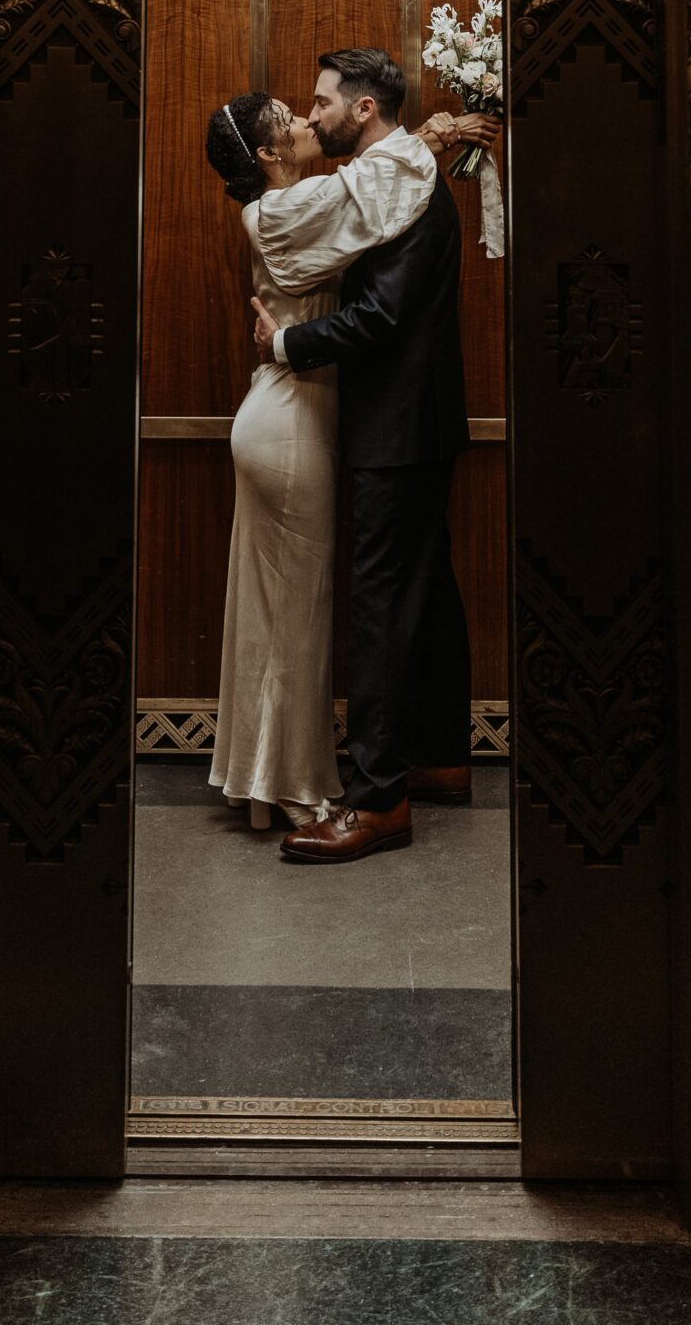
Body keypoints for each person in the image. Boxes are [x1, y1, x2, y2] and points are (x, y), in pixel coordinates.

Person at [203, 83, 492, 836]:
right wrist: (430, 136)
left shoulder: (312, 200)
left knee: (295, 606)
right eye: (291, 120)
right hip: (287, 422)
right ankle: (292, 784)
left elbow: (363, 195)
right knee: (294, 607)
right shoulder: (275, 212)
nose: (307, 119)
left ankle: (270, 775)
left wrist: (428, 137)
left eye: (314, 106)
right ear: (266, 153)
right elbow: (370, 188)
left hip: (304, 417)